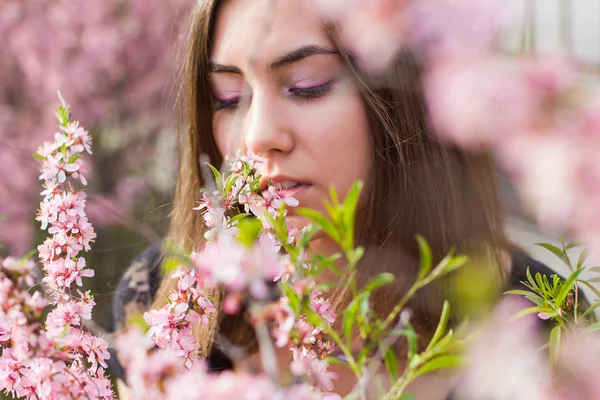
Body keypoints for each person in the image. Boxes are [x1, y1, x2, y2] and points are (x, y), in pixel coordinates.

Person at [111, 0, 582, 398]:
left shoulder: (540, 314)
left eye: (306, 86)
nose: (257, 137)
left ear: (403, 101)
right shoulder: (164, 295)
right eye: (229, 97)